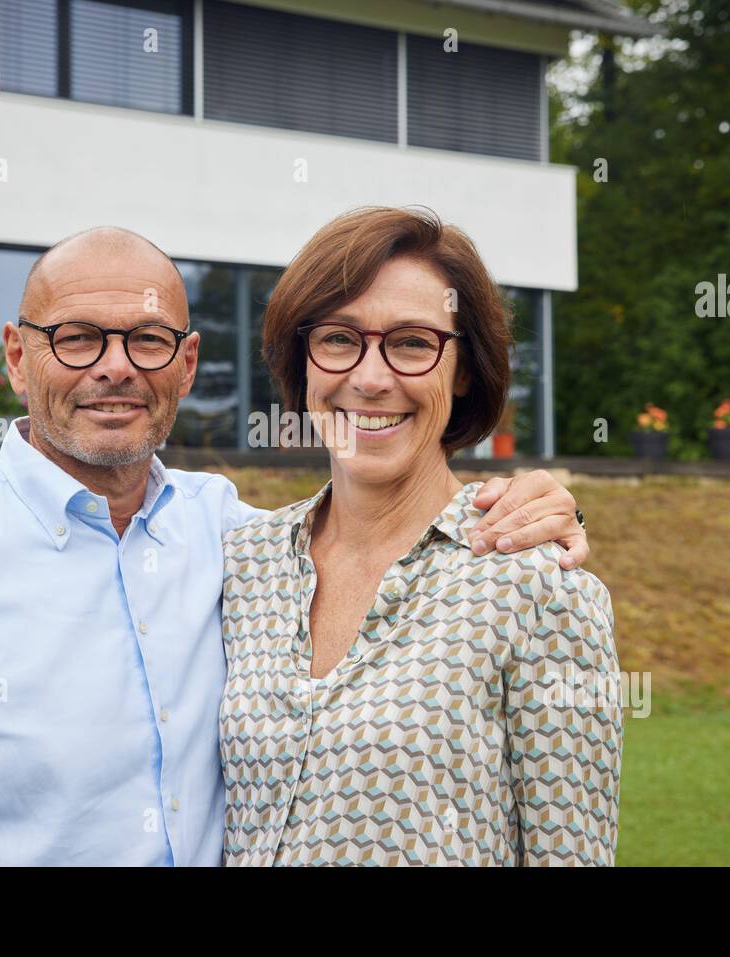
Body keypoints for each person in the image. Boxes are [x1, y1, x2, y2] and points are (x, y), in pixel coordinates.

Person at [0, 226, 589, 866]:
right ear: (17, 356)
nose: (114, 367)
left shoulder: (237, 542)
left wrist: (535, 505)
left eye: (147, 339)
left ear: (186, 363)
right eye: (77, 338)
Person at [221, 207, 621, 865]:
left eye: (411, 343)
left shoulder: (538, 588)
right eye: (339, 338)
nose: (371, 378)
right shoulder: (240, 564)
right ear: (303, 359)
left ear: (463, 370)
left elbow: (571, 853)